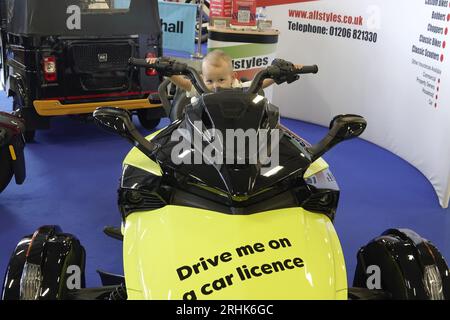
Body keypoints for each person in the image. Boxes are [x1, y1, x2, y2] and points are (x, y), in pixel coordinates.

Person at [146, 50, 303, 99]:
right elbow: (185, 83)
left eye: (221, 79)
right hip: (203, 131)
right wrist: (165, 71)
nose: (215, 85)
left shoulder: (238, 87)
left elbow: (260, 81)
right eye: (210, 80)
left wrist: (281, 74)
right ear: (202, 78)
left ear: (232, 77)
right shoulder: (201, 88)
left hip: (234, 131)